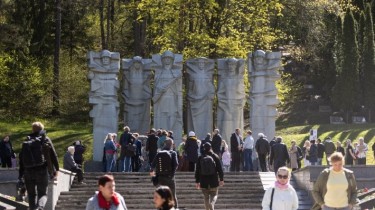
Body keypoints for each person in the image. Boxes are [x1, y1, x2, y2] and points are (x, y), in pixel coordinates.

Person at [19, 122, 59, 210]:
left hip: (28, 171)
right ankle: (39, 208)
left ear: (32, 129)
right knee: (43, 194)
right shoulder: (45, 139)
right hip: (41, 170)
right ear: (42, 129)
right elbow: (53, 155)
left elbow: (21, 159)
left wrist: (21, 174)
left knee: (31, 195)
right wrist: (56, 169)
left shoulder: (26, 141)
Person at [150, 138, 179, 208]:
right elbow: (176, 164)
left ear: (165, 144)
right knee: (173, 195)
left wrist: (153, 176)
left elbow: (152, 165)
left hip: (160, 178)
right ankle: (175, 208)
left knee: (161, 196)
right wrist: (172, 174)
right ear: (171, 144)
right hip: (170, 178)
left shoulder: (159, 153)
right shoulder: (173, 153)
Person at [195, 143, 224, 210]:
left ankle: (208, 208)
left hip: (203, 181)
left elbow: (197, 170)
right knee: (215, 195)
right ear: (211, 148)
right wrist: (221, 179)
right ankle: (212, 204)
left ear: (204, 148)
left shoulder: (200, 157)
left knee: (206, 197)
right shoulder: (215, 156)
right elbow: (220, 169)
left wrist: (197, 181)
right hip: (213, 180)